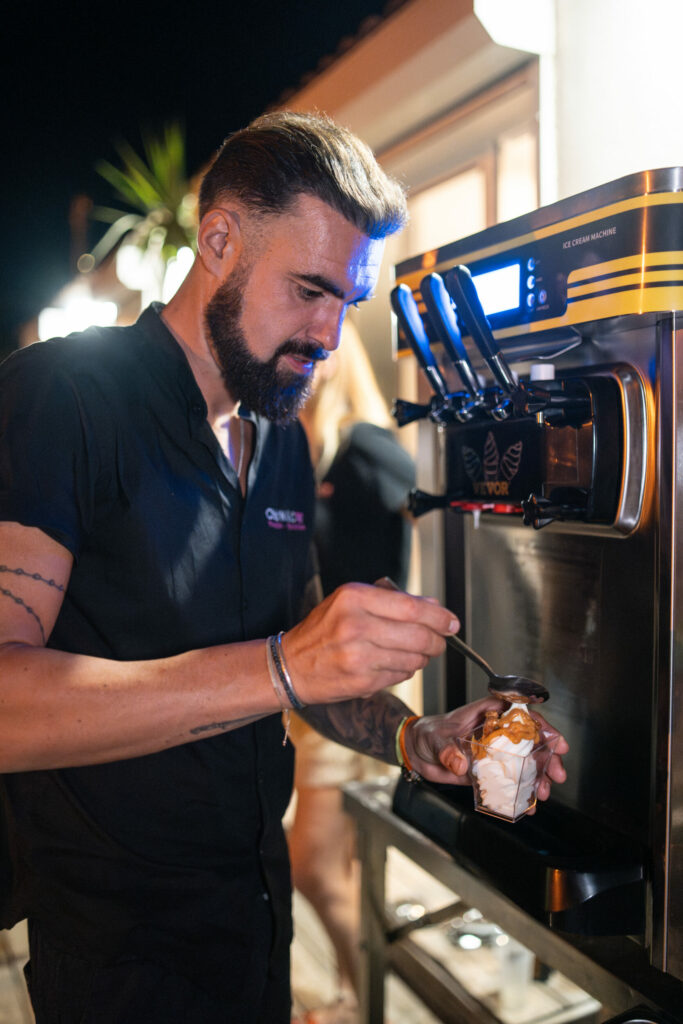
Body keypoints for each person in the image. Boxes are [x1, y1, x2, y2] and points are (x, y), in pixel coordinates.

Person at [0, 111, 567, 1024]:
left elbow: (301, 662)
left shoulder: (280, 439)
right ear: (218, 240)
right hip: (117, 952)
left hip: (257, 919)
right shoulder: (64, 397)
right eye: (308, 289)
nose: (330, 332)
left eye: (348, 300)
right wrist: (282, 664)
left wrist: (412, 738)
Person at [289, 320, 415, 1022]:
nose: (305, 353)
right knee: (337, 860)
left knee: (309, 861)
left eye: (319, 345)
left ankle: (368, 1003)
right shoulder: (293, 447)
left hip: (350, 685)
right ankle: (352, 994)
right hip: (302, 678)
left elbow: (398, 561)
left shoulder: (365, 448)